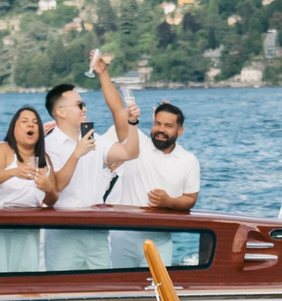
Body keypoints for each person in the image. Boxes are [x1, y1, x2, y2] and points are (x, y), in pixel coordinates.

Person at [40, 51, 137, 270]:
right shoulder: (48, 145)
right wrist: (76, 153)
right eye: (79, 105)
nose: (85, 109)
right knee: (63, 291)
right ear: (61, 112)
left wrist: (133, 123)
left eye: (84, 105)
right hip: (65, 233)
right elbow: (56, 186)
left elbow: (129, 152)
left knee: (101, 291)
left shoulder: (94, 139)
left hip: (96, 231)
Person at [104, 98, 201, 268]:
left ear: (180, 131)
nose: (161, 130)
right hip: (123, 236)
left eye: (168, 126)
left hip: (160, 239)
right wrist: (103, 73)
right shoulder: (138, 143)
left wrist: (168, 202)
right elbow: (117, 111)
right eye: (157, 123)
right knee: (120, 289)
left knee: (157, 290)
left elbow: (191, 198)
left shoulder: (188, 160)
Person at [0, 105, 54, 273]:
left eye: (35, 122)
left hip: (27, 229)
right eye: (25, 122)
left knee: (23, 279)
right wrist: (13, 171)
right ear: (14, 128)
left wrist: (49, 189)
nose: (31, 125)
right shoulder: (3, 150)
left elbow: (53, 199)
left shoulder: (45, 159)